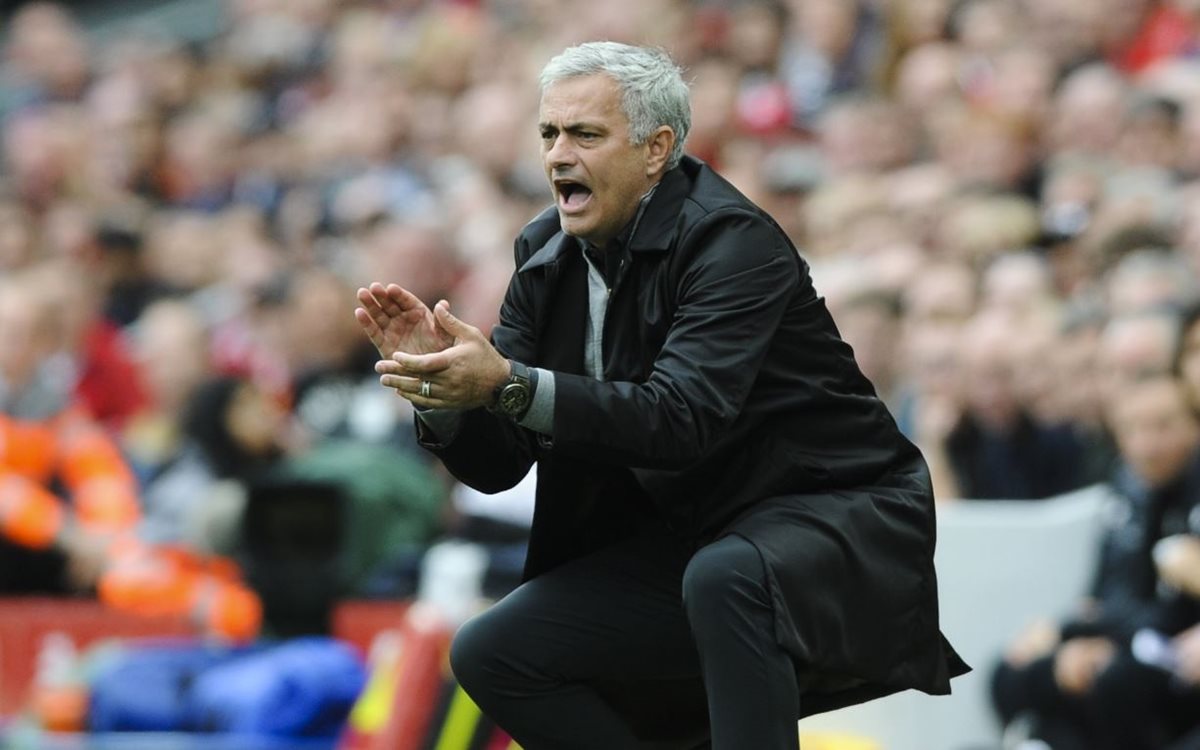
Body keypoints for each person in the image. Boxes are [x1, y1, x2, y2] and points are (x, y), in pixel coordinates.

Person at [355, 42, 967, 749]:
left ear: (657, 150)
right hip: (689, 541)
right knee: (493, 650)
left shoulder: (732, 242)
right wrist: (444, 392)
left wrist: (509, 384)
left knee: (726, 576)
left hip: (834, 519)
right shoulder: (544, 256)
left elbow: (681, 419)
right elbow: (501, 466)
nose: (558, 155)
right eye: (550, 133)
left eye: (586, 134)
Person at [990, 374, 1200, 750]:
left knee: (1115, 681)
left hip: (1165, 653)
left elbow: (1169, 609)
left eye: (1163, 425)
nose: (1147, 444)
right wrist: (1064, 632)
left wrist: (1110, 641)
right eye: (1133, 429)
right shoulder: (1127, 490)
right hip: (1122, 632)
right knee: (1010, 672)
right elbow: (1106, 590)